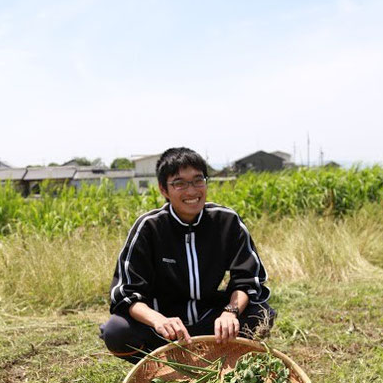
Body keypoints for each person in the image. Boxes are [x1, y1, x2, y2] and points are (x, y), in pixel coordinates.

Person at [100, 147, 275, 360]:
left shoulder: (226, 221)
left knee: (261, 313)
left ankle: (221, 359)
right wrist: (159, 320)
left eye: (197, 180)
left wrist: (230, 312)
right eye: (179, 183)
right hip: (166, 328)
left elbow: (247, 281)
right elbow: (126, 295)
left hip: (212, 320)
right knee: (117, 331)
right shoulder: (149, 227)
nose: (191, 191)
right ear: (164, 189)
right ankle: (164, 365)